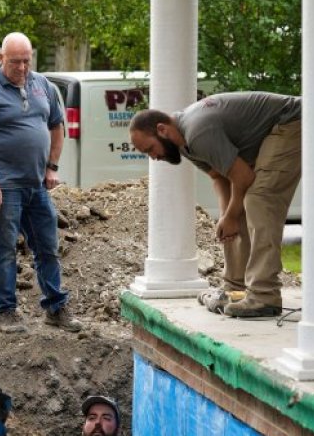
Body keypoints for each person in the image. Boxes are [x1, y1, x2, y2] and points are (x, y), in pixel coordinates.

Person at [129, 91, 301, 318]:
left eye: (150, 149)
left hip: (292, 122)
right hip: (275, 128)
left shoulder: (198, 132)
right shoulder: (184, 143)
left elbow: (243, 178)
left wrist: (230, 216)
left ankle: (264, 296)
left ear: (162, 130)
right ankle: (235, 289)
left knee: (259, 199)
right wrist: (226, 216)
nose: (153, 157)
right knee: (235, 212)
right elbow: (219, 177)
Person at [0, 31, 81, 334]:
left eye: (26, 61)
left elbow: (56, 127)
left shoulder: (43, 85)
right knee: (3, 249)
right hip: (4, 186)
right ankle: (6, 311)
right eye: (15, 62)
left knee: (47, 245)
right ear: (1, 59)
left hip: (37, 185)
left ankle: (56, 307)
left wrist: (52, 166)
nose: (21, 68)